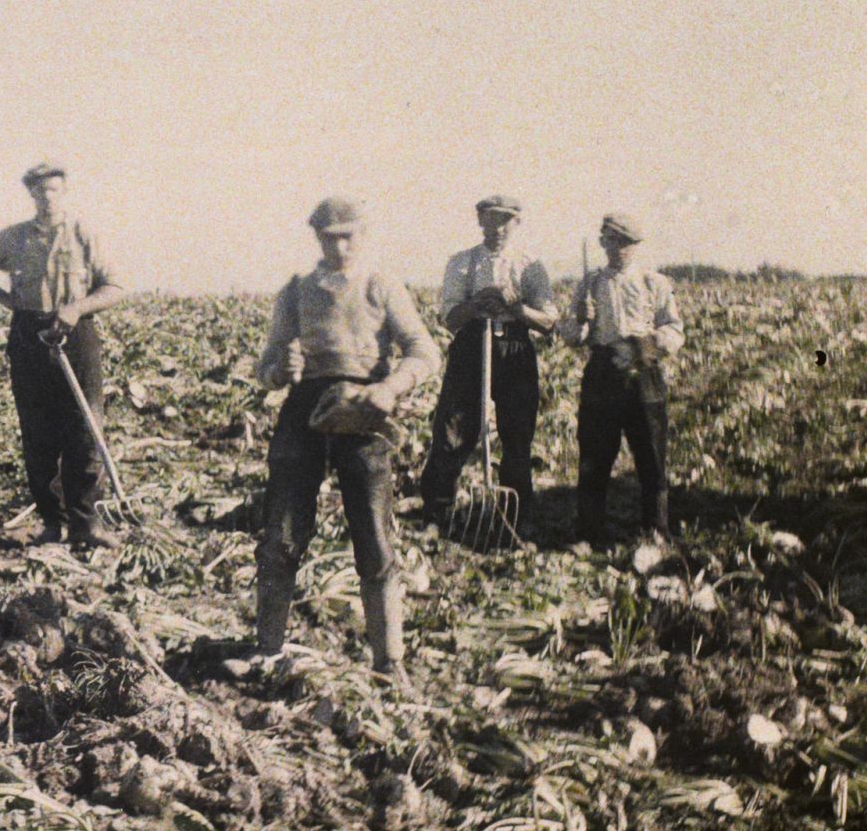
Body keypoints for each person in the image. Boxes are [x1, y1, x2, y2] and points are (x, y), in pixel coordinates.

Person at [252, 196, 440, 677]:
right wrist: (281, 370)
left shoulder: (381, 286)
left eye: (348, 235)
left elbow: (423, 350)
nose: (340, 245)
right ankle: (268, 648)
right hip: (306, 412)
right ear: (317, 237)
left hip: (363, 413)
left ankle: (388, 660)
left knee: (374, 538)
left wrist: (391, 387)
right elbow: (267, 366)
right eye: (330, 236)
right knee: (282, 533)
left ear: (363, 234)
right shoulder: (295, 291)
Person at [0, 161, 126, 551]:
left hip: (76, 333)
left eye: (53, 190)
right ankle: (52, 524)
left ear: (63, 192)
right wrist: (7, 302)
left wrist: (75, 309)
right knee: (38, 434)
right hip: (29, 336)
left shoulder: (83, 233)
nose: (46, 197)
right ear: (31, 194)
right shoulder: (16, 238)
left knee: (85, 430)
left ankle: (87, 525)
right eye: (39, 191)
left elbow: (115, 285)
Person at [417, 194, 557, 532]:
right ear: (480, 221)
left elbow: (549, 321)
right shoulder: (463, 262)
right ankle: (438, 511)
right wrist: (477, 303)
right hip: (471, 345)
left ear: (517, 223)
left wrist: (517, 308)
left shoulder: (529, 265)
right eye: (491, 219)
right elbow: (449, 318)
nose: (498, 228)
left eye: (506, 220)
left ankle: (514, 517)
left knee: (518, 432)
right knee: (453, 429)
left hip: (514, 347)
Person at [559, 212, 684, 545]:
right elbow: (571, 335)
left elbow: (674, 330)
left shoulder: (654, 283)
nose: (618, 249)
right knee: (595, 455)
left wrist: (648, 345)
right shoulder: (590, 284)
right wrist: (582, 322)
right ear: (602, 243)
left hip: (644, 374)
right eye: (611, 241)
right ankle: (590, 531)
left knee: (651, 453)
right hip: (602, 372)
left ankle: (656, 529)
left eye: (625, 243)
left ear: (636, 246)